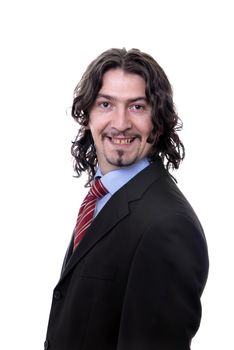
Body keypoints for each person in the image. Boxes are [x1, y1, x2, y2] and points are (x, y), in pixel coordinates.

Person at [44, 48, 209, 350]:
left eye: (137, 107)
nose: (120, 123)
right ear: (88, 115)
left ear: (158, 120)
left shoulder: (168, 227)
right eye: (105, 104)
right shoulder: (102, 196)